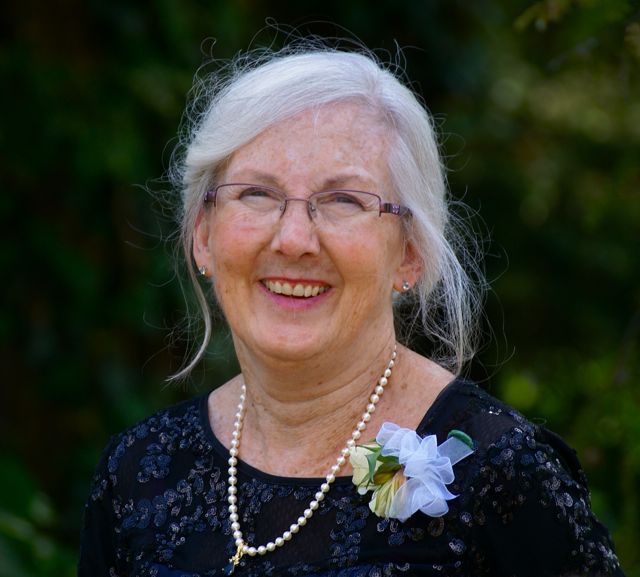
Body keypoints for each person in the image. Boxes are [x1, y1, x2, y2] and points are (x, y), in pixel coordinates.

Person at [78, 43, 625, 577]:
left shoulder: (501, 473)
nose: (294, 240)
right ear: (203, 236)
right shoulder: (138, 472)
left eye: (343, 200)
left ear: (410, 252)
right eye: (257, 194)